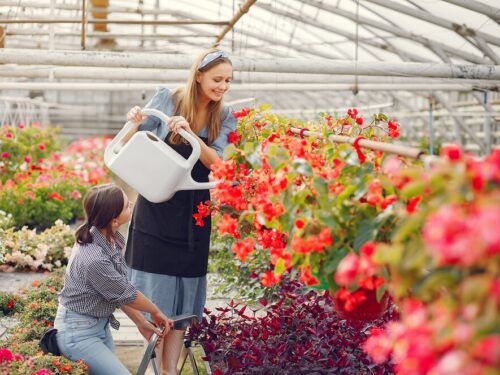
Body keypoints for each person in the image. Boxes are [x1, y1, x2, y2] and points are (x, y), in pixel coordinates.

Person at [124, 48, 237, 374]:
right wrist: (134, 123)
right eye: (217, 79)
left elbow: (218, 164)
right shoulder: (168, 97)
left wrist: (190, 134)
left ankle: (170, 369)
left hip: (194, 215)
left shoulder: (224, 116)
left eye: (228, 80)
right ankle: (162, 368)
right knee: (156, 298)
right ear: (198, 75)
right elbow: (141, 143)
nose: (223, 86)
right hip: (156, 211)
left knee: (182, 304)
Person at [54, 183, 173, 375]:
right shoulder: (94, 258)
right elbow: (128, 294)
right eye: (127, 205)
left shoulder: (109, 238)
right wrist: (156, 311)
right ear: (114, 220)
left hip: (97, 326)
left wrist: (141, 322)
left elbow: (115, 292)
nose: (132, 204)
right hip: (78, 332)